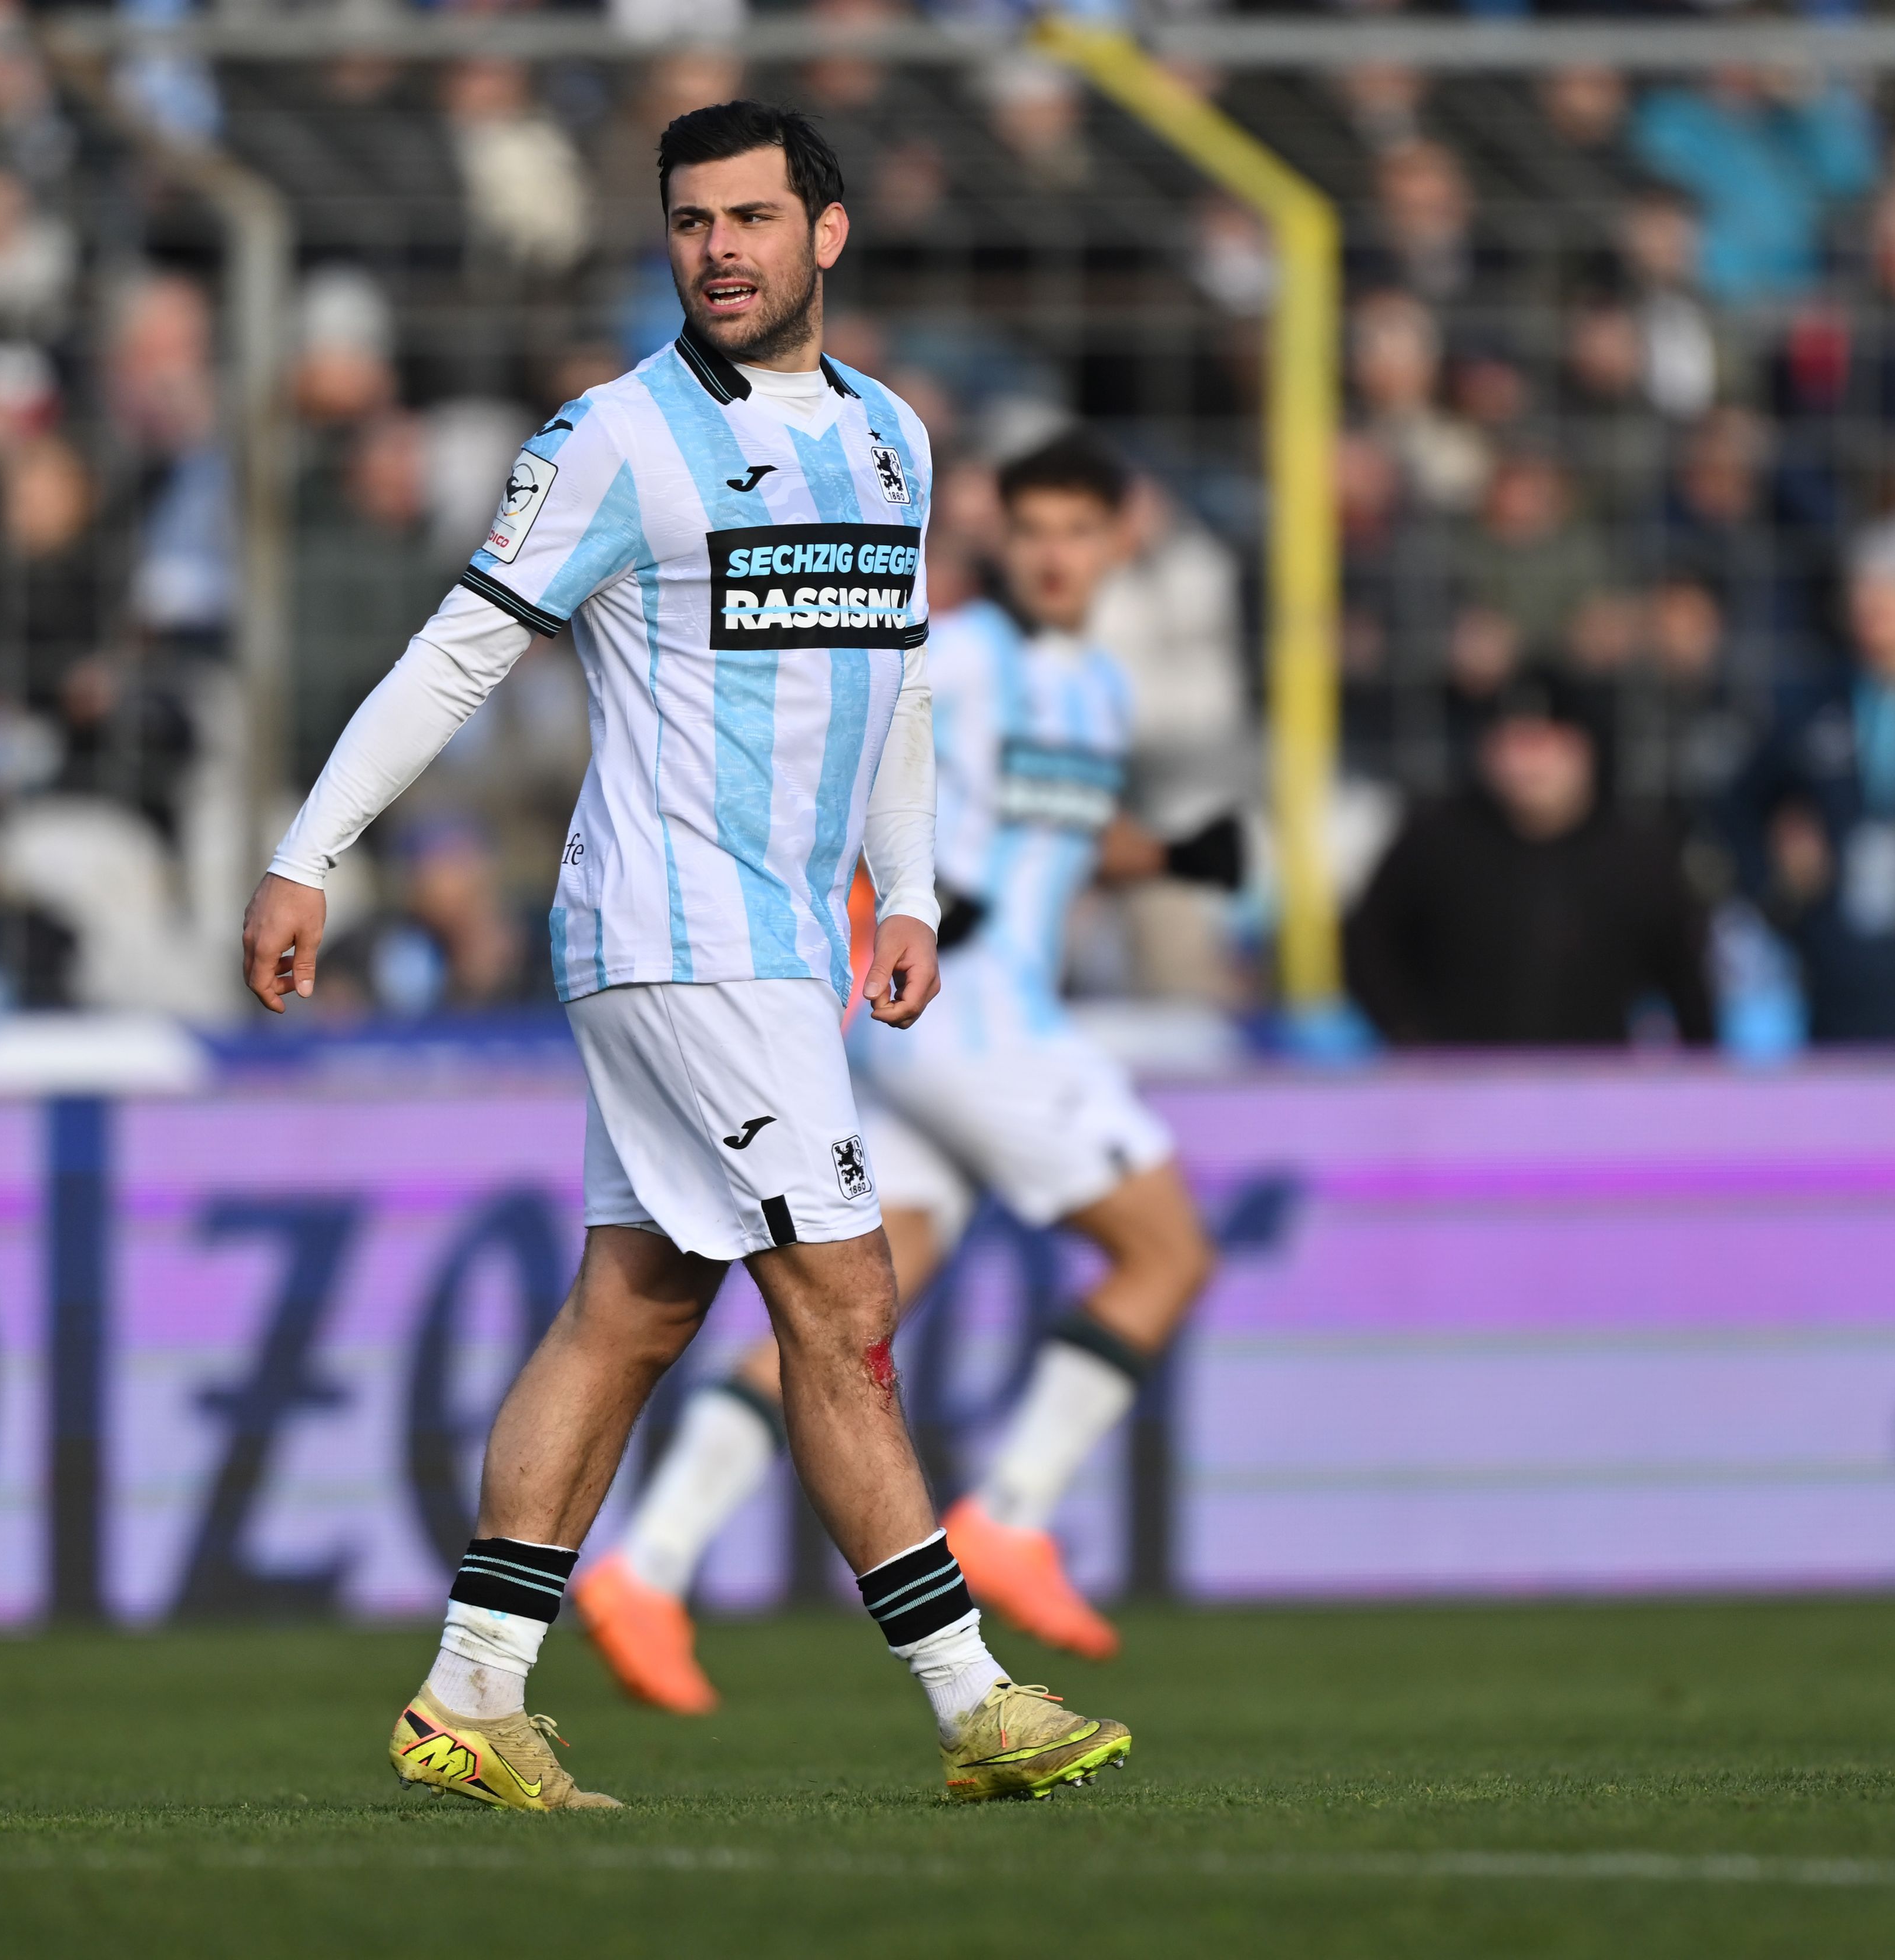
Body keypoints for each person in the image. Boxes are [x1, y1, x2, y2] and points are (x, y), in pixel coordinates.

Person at [242, 102, 1129, 1812]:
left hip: (785, 939)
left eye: (748, 216)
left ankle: (470, 1688)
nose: (716, 247)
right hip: (669, 924)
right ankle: (971, 1696)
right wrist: (309, 853)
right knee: (845, 1296)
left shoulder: (891, 437)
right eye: (690, 221)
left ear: (829, 235)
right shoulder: (615, 439)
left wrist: (910, 893)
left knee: (635, 1306)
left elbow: (902, 684)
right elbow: (456, 655)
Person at [575, 432, 1243, 1712]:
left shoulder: (1096, 689)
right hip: (969, 1017)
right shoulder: (962, 659)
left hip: (934, 1041)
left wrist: (1160, 859)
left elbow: (1042, 826)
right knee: (1166, 1253)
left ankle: (648, 1568)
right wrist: (894, 899)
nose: (1054, 555)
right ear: (999, 537)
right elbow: (856, 772)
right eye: (1033, 529)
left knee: (853, 1313)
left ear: (1120, 542)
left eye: (1078, 532)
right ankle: (1012, 1514)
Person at [1346, 676, 1715, 1049]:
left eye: (1543, 745)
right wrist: (1408, 1035)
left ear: (1584, 750)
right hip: (1458, 1084)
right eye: (1509, 744)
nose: (1524, 765)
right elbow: (1367, 946)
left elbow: (1687, 978)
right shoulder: (1435, 841)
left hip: (1595, 1086)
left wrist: (1700, 1079)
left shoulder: (1638, 855)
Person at [1724, 523, 1895, 1041]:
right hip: (1841, 963)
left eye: (1886, 594)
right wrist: (1776, 883)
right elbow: (1738, 804)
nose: (1871, 612)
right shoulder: (1810, 703)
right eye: (1862, 594)